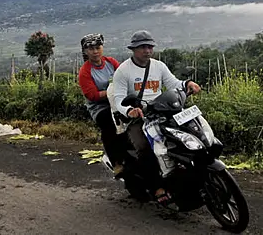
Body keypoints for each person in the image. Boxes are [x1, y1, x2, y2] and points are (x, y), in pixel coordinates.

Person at [111, 29, 201, 205]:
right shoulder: (123, 71)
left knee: (187, 136)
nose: (147, 50)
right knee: (145, 149)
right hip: (139, 119)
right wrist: (130, 110)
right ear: (133, 49)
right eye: (142, 47)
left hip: (163, 112)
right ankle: (157, 187)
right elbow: (119, 99)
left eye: (150, 47)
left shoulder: (158, 66)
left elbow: (174, 83)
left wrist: (188, 84)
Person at [77, 33, 125, 176]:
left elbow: (123, 76)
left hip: (118, 101)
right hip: (100, 107)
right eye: (91, 49)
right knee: (109, 124)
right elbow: (92, 95)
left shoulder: (111, 62)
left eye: (98, 47)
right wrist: (111, 91)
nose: (95, 51)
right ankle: (116, 162)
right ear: (86, 51)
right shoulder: (85, 72)